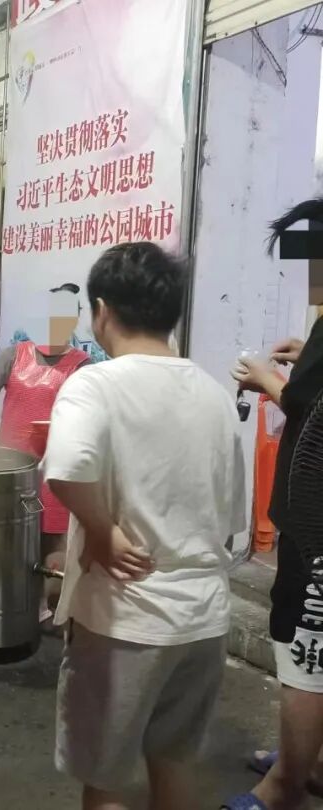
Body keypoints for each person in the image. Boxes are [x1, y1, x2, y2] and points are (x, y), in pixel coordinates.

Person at [43, 242, 246, 810]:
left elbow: (65, 468)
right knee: (173, 763)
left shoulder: (96, 384)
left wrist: (101, 529)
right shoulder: (213, 394)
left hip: (125, 620)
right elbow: (231, 516)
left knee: (106, 779)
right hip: (203, 620)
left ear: (101, 311)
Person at [229, 198, 323, 810]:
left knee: (302, 647)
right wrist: (306, 355)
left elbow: (313, 410)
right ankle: (307, 761)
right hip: (308, 518)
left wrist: (267, 381)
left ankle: (285, 785)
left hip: (316, 529)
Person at [0, 283, 90, 617]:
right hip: (11, 470)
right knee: (8, 538)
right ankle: (6, 604)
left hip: (55, 471)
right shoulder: (15, 354)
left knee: (52, 544)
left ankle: (46, 608)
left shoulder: (82, 366)